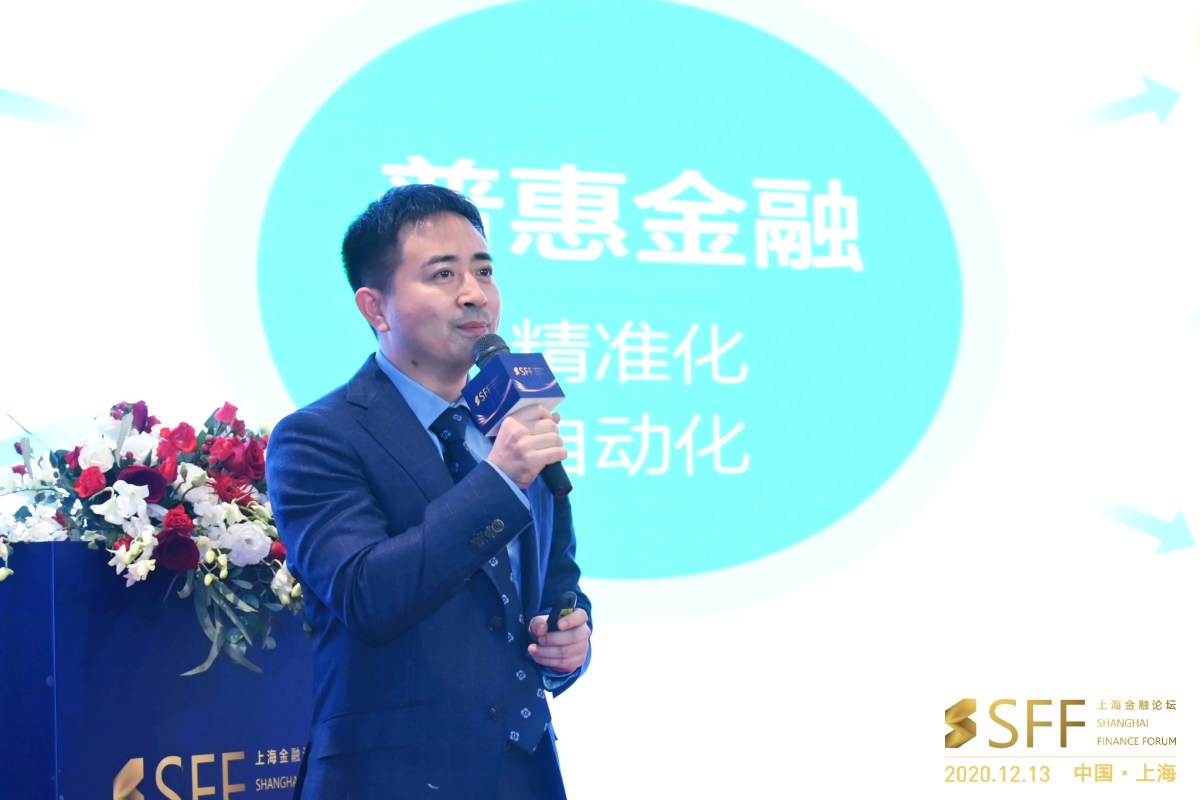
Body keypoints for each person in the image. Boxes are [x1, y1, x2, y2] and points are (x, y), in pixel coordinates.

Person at [266, 184, 592, 799]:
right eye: (443, 274)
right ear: (376, 308)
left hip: (525, 775)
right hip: (390, 780)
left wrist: (570, 634)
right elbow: (366, 594)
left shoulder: (512, 421)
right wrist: (498, 481)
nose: (475, 294)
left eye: (484, 271)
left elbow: (557, 579)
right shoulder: (318, 436)